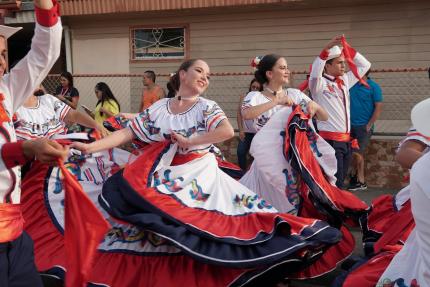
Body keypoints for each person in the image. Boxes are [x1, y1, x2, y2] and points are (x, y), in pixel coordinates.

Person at [70, 59, 343, 286]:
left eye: (208, 75)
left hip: (199, 173)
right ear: (182, 75)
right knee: (165, 228)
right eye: (199, 71)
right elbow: (126, 133)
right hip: (165, 176)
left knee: (229, 225)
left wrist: (190, 142)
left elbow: (226, 131)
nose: (205, 77)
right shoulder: (158, 108)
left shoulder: (206, 106)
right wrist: (91, 147)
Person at [0, 1, 65, 286]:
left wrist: (44, 4)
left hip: (16, 237)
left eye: (2, 54)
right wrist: (25, 149)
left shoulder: (5, 91)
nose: (1, 62)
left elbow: (43, 54)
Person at [240, 54, 329, 213]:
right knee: (263, 205)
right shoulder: (255, 96)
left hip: (290, 159)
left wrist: (315, 106)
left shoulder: (294, 94)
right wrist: (275, 101)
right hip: (266, 161)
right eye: (282, 68)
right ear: (269, 73)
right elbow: (246, 114)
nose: (287, 71)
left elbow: (324, 117)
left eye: (287, 67)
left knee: (290, 203)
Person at [309, 35, 371, 188]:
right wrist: (326, 50)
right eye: (339, 63)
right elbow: (316, 71)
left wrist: (348, 49)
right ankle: (332, 210)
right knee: (333, 182)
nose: (344, 66)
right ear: (327, 66)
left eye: (344, 62)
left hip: (346, 141)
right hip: (329, 141)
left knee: (340, 179)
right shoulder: (319, 84)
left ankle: (336, 208)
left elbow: (365, 65)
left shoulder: (344, 81)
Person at [14, 85, 108, 140]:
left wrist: (97, 126)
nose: (38, 76)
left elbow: (73, 115)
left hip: (65, 154)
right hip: (36, 165)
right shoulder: (12, 109)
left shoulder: (48, 100)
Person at [348, 70, 383, 191]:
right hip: (349, 126)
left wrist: (369, 125)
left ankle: (361, 181)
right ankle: (354, 177)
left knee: (358, 153)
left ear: (364, 72)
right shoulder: (350, 85)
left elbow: (378, 107)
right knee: (352, 152)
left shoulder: (374, 87)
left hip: (363, 127)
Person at [236, 78, 262, 170]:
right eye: (253, 87)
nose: (255, 89)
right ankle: (242, 173)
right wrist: (241, 130)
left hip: (257, 133)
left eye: (257, 88)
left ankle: (254, 175)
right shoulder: (244, 97)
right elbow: (239, 114)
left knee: (256, 155)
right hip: (246, 132)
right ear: (250, 87)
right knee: (240, 152)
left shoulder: (262, 98)